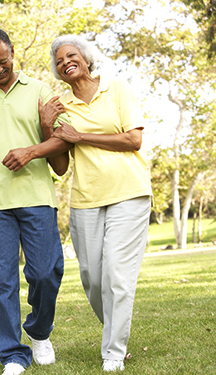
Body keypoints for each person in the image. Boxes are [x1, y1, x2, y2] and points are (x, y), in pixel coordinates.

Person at [0, 27, 73, 375]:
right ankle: (12, 355)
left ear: (13, 53)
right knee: (1, 282)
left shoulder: (39, 91)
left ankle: (38, 330)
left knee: (47, 272)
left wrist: (31, 150)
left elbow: (63, 143)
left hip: (36, 197)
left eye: (1, 62)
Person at [48, 35, 153, 372]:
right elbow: (61, 166)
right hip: (86, 199)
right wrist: (47, 124)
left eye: (72, 55)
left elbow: (133, 139)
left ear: (87, 59)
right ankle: (115, 330)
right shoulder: (62, 106)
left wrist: (82, 137)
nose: (66, 62)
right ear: (59, 72)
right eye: (60, 61)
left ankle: (113, 352)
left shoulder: (117, 88)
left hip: (128, 192)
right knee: (92, 278)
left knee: (118, 277)